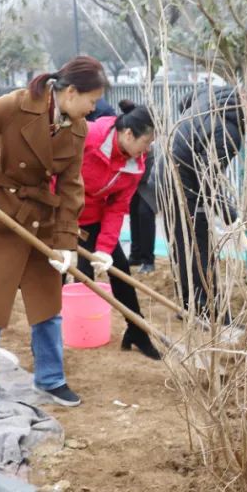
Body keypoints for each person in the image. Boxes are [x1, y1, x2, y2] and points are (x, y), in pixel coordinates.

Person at [0, 55, 107, 422]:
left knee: (47, 304)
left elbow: (71, 187)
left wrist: (66, 243)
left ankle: (50, 379)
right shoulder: (16, 105)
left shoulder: (78, 128)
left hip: (38, 221)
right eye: (91, 99)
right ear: (69, 92)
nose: (93, 108)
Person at [159, 78, 247, 322]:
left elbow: (185, 102)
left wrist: (191, 132)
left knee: (189, 244)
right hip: (180, 182)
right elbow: (208, 177)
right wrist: (229, 215)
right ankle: (204, 311)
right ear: (245, 98)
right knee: (196, 245)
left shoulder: (216, 95)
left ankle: (194, 305)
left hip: (170, 169)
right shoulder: (229, 131)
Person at [74, 99, 161, 360]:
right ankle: (49, 342)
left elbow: (117, 206)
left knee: (119, 271)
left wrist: (104, 248)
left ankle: (137, 331)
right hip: (61, 213)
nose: (147, 149)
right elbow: (55, 178)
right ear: (127, 134)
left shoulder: (135, 163)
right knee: (65, 275)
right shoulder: (87, 138)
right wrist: (60, 226)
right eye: (145, 142)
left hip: (95, 217)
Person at [127, 153, 157, 272]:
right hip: (134, 180)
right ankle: (136, 255)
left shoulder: (151, 145)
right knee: (134, 214)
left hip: (150, 180)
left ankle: (148, 260)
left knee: (145, 214)